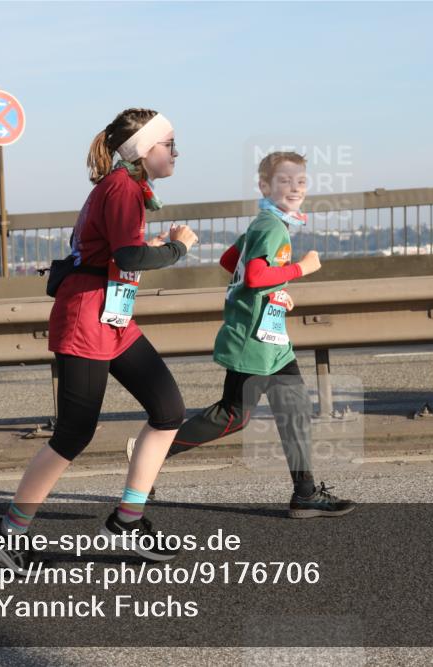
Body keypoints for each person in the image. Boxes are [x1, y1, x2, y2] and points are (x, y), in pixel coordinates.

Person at [0, 108, 198, 572]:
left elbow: (121, 253)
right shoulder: (122, 187)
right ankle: (9, 532)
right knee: (74, 433)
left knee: (169, 410)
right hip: (87, 320)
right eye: (170, 144)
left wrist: (153, 248)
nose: (176, 152)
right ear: (145, 150)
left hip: (113, 320)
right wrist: (177, 247)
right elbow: (128, 254)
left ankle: (128, 518)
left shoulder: (126, 187)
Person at [128, 151, 355, 518]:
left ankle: (305, 493)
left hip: (271, 340)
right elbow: (253, 276)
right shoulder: (271, 227)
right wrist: (301, 269)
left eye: (300, 181)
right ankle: (154, 452)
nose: (295, 188)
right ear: (266, 186)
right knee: (233, 416)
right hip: (254, 341)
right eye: (285, 181)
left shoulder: (264, 222)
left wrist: (274, 292)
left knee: (293, 410)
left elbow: (230, 263)